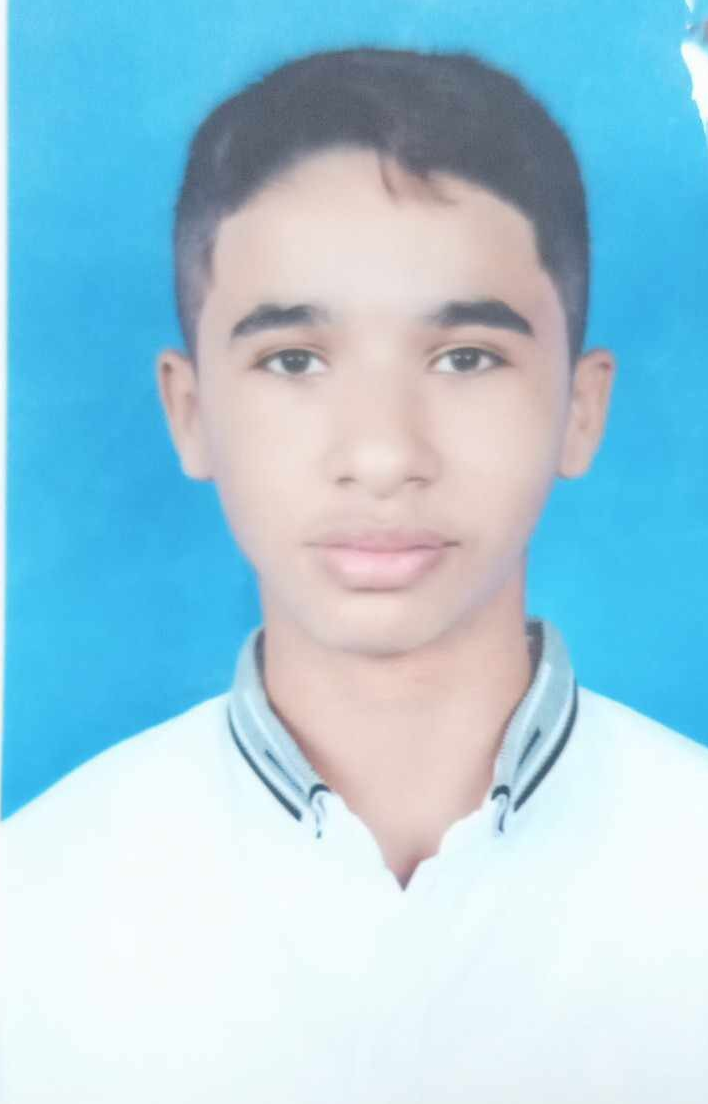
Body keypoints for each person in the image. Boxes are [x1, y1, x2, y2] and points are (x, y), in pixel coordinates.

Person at [3, 47, 707, 1104]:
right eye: (294, 359)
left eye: (466, 356)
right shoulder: (30, 912)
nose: (382, 455)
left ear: (581, 407)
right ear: (190, 410)